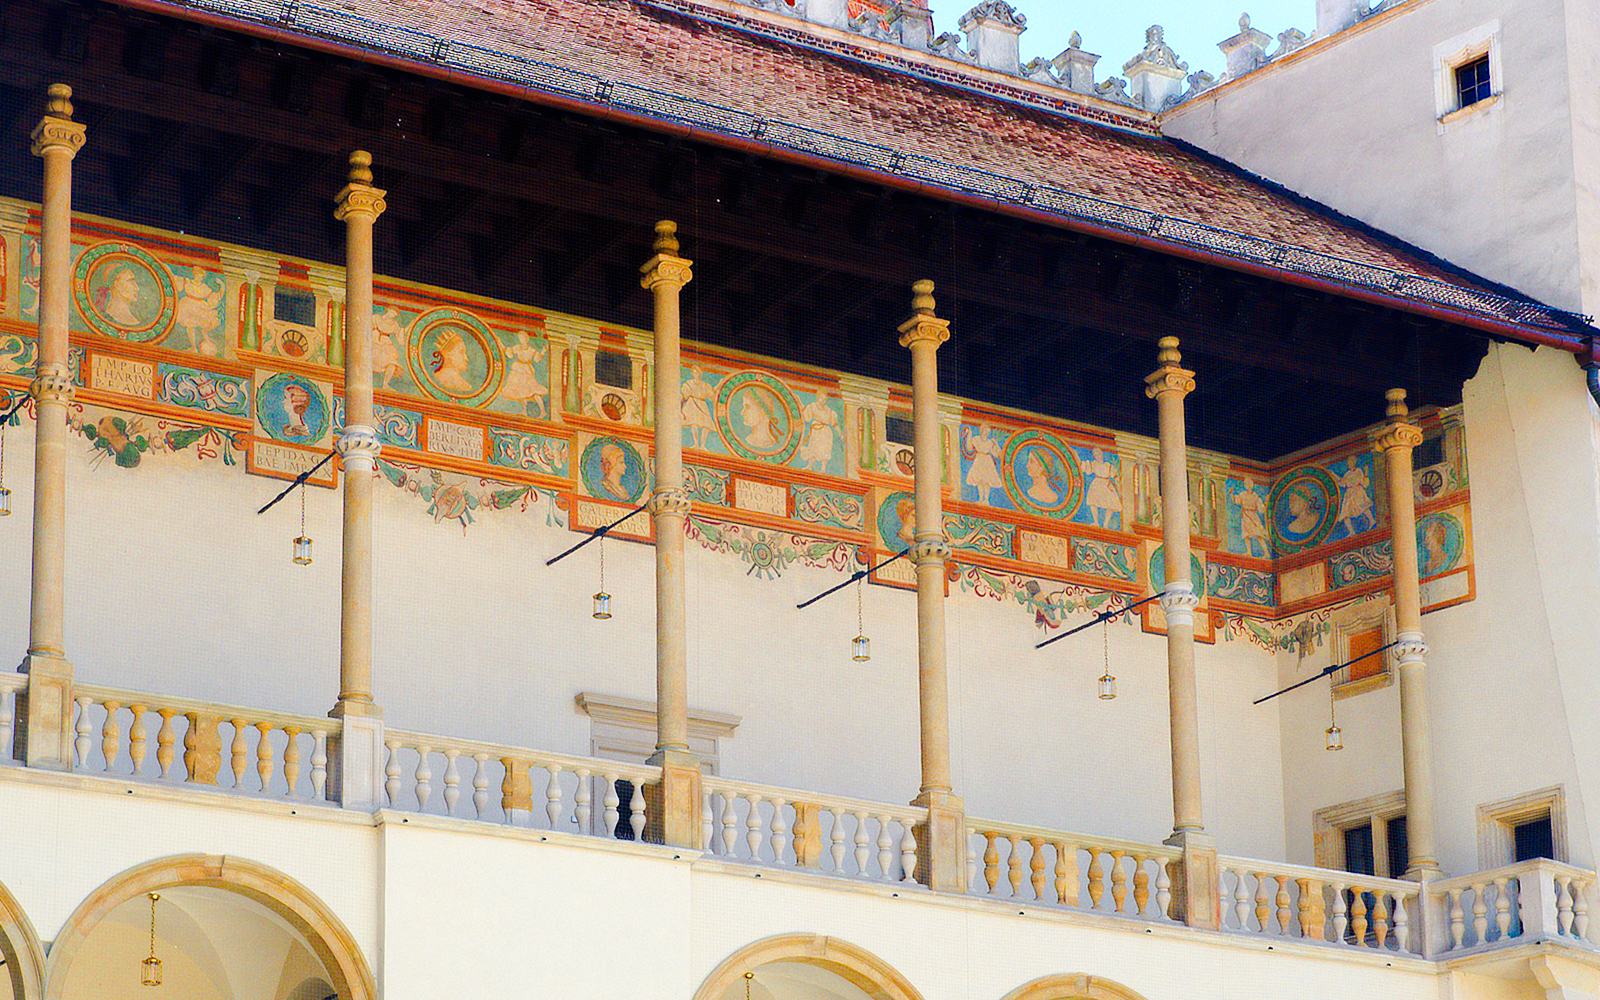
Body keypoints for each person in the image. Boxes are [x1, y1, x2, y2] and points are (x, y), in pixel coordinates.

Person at [172, 270, 223, 355]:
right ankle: (193, 347)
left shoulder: (204, 287)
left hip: (199, 308)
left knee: (204, 325)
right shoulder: (187, 282)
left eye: (201, 276)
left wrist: (222, 286)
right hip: (187, 305)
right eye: (197, 275)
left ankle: (203, 343)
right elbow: (175, 280)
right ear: (194, 275)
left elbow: (214, 297)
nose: (199, 277)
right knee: (189, 326)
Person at [500, 331, 549, 417]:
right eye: (520, 338)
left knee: (533, 391)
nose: (521, 340)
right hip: (518, 369)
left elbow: (537, 359)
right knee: (521, 391)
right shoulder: (518, 347)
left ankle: (543, 411)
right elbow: (509, 353)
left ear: (527, 339)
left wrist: (543, 351)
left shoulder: (532, 350)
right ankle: (524, 411)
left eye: (522, 338)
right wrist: (500, 343)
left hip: (527, 371)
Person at [962, 424, 1004, 506]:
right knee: (979, 480)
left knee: (987, 481)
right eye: (985, 430)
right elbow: (969, 447)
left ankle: (986, 500)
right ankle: (981, 499)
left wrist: (996, 444)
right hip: (979, 459)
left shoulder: (989, 442)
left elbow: (997, 455)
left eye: (988, 431)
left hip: (987, 460)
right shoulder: (976, 439)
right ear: (982, 430)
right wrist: (969, 434)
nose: (986, 433)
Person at [428, 327, 477, 396]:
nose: (466, 358)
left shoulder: (465, 385)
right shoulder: (439, 378)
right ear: (448, 354)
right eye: (461, 352)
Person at [796, 392, 839, 470]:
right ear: (818, 397)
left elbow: (834, 424)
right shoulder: (813, 406)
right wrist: (800, 403)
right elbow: (807, 417)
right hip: (816, 430)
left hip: (826, 431)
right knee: (813, 447)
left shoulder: (828, 410)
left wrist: (839, 433)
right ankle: (809, 466)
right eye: (821, 398)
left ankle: (823, 468)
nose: (822, 400)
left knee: (825, 448)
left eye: (824, 399)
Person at [96, 264, 148, 329]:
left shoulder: (134, 320)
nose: (137, 288)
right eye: (130, 281)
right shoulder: (107, 317)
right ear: (117, 285)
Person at [1081, 447, 1121, 528]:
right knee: (1092, 502)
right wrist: (1081, 463)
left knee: (1110, 504)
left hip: (1106, 484)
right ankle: (1096, 522)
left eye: (1098, 454)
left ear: (1101, 454)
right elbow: (1087, 470)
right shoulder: (1094, 464)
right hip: (1096, 484)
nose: (1097, 457)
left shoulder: (1108, 466)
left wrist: (1119, 488)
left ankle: (1106, 523)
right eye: (1095, 455)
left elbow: (1115, 476)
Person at [682, 366, 717, 450]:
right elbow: (685, 394)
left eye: (696, 372)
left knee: (707, 424)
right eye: (693, 372)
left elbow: (711, 396)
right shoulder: (689, 383)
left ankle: (703, 445)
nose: (695, 374)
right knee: (694, 423)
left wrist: (715, 391)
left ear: (699, 374)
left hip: (701, 403)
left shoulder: (704, 385)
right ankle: (696, 443)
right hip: (692, 403)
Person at [1230, 484, 1270, 558]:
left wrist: (1266, 503)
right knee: (1246, 535)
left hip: (1253, 516)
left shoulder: (1256, 496)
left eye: (1249, 484)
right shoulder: (1242, 494)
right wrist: (1232, 494)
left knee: (1259, 534)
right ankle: (1249, 552)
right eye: (1246, 484)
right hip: (1245, 516)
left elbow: (1261, 509)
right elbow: (1237, 501)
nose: (1248, 486)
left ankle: (1266, 552)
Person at [1335, 462, 1375, 535]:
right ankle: (1351, 531)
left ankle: (1372, 521)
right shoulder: (1347, 473)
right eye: (1348, 463)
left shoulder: (1358, 471)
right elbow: (1343, 483)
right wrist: (1334, 476)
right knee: (1346, 512)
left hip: (1357, 491)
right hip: (1349, 494)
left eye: (1350, 462)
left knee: (1363, 506)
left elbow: (1364, 483)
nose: (1348, 464)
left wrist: (1366, 472)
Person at [372, 306, 406, 389]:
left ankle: (385, 383)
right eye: (393, 312)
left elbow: (400, 339)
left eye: (396, 314)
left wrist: (404, 331)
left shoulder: (395, 324)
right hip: (374, 340)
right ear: (388, 310)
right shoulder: (376, 318)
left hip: (386, 343)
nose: (394, 315)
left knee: (392, 363)